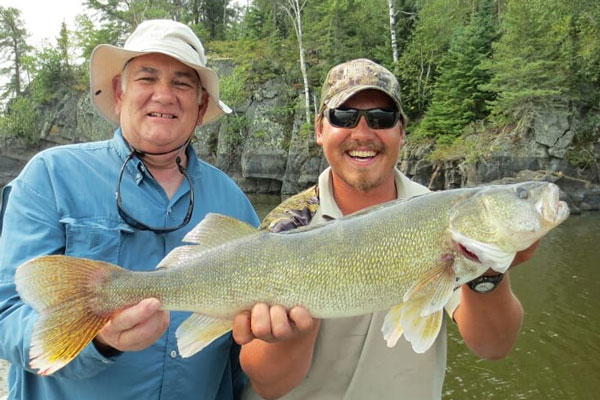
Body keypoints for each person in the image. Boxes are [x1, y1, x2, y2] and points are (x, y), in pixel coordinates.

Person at [237, 58, 536, 400]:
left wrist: (488, 271)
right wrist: (297, 324)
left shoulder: (445, 217)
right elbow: (267, 384)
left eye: (381, 118)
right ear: (320, 130)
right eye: (343, 117)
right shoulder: (285, 228)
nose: (363, 133)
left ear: (401, 132)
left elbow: (493, 346)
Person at [0, 19, 263, 399]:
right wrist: (100, 339)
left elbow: (243, 348)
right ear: (120, 92)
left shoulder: (234, 202)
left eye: (182, 83)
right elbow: (6, 315)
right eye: (147, 78)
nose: (164, 95)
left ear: (201, 103)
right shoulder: (50, 176)